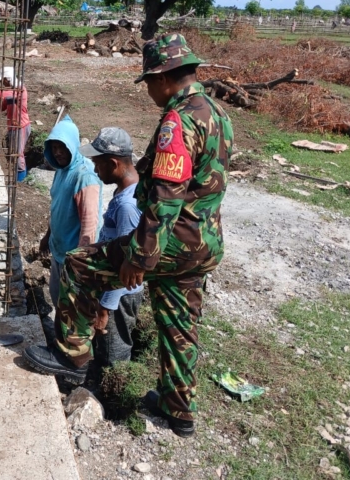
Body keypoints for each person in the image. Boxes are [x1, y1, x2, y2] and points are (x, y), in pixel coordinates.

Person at [23, 33, 234, 439]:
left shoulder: (179, 120)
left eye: (150, 82)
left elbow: (166, 197)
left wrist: (140, 258)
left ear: (163, 76)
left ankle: (71, 355)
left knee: (80, 263)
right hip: (205, 243)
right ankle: (180, 409)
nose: (150, 91)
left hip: (173, 240)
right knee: (180, 323)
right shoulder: (217, 113)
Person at [78, 127, 143, 367]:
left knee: (114, 350)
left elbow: (126, 265)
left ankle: (111, 392)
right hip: (110, 291)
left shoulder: (128, 206)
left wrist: (105, 307)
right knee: (104, 346)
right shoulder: (125, 190)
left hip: (118, 295)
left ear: (113, 163)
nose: (95, 170)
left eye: (98, 164)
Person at [38, 115, 102, 308]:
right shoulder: (61, 170)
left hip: (74, 259)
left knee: (72, 309)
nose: (57, 153)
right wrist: (48, 236)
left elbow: (89, 226)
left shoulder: (84, 176)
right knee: (58, 299)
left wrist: (80, 263)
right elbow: (57, 207)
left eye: (62, 147)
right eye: (54, 148)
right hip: (60, 252)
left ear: (72, 145)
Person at [0, 67, 31, 182]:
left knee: (18, 154)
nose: (2, 83)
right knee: (14, 153)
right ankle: (18, 176)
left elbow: (5, 94)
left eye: (3, 80)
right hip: (13, 126)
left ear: (7, 79)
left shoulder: (20, 89)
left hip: (21, 126)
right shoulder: (11, 92)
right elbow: (2, 106)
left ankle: (20, 181)